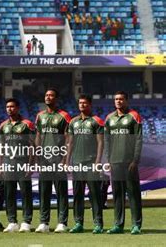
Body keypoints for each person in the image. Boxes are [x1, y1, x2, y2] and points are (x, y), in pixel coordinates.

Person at [104, 91, 143, 235]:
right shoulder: (109, 118)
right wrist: (108, 159)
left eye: (121, 99)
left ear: (126, 100)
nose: (118, 101)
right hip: (115, 162)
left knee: (133, 194)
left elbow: (139, 139)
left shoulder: (134, 116)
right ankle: (118, 225)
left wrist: (135, 160)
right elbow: (107, 140)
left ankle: (136, 225)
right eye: (116, 99)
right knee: (117, 194)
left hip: (129, 163)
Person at [34, 88, 71, 233]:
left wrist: (65, 160)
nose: (48, 97)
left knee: (61, 191)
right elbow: (38, 135)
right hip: (44, 160)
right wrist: (37, 155)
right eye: (46, 95)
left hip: (58, 159)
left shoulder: (64, 116)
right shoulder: (40, 116)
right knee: (44, 191)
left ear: (56, 99)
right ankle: (44, 222)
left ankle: (62, 222)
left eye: (51, 95)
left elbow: (68, 139)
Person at [66, 95, 104, 234]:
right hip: (77, 162)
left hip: (91, 162)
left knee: (94, 194)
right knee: (77, 194)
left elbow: (100, 142)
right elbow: (70, 143)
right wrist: (67, 161)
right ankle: (78, 223)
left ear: (90, 105)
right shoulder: (73, 122)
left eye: (85, 103)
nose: (82, 105)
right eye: (80, 103)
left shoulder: (97, 121)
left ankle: (98, 223)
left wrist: (98, 162)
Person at [0, 99, 35, 233]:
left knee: (26, 193)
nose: (9, 109)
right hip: (8, 163)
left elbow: (33, 146)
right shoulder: (3, 126)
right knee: (9, 193)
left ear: (18, 108)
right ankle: (12, 221)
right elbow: (1, 146)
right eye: (7, 107)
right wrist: (1, 164)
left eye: (12, 106)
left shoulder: (27, 124)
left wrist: (31, 165)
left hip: (23, 163)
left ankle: (26, 221)